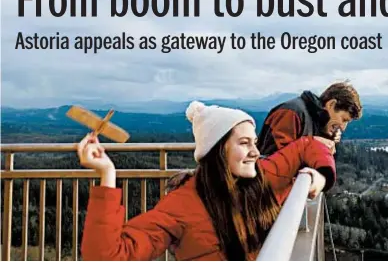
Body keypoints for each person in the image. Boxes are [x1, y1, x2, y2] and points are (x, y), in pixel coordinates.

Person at [79, 101, 336, 261]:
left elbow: (309, 146)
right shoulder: (182, 205)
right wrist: (107, 175)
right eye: (244, 143)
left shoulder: (264, 174)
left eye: (254, 143)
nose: (256, 152)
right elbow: (106, 256)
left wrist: (320, 176)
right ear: (218, 150)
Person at [256, 80, 363, 161]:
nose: (343, 127)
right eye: (344, 119)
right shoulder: (291, 113)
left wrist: (327, 136)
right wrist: (314, 144)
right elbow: (273, 161)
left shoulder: (317, 122)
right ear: (331, 104)